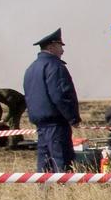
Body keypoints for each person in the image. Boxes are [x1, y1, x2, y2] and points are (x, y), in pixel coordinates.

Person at [23, 28, 80, 171]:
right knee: (62, 162)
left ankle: (44, 193)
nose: (62, 51)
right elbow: (61, 95)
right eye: (60, 46)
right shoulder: (55, 66)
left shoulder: (31, 68)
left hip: (41, 125)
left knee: (45, 165)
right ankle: (63, 191)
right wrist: (73, 118)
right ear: (51, 46)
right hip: (56, 124)